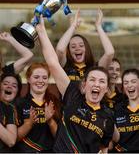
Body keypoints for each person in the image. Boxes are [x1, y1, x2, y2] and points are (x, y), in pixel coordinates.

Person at [36, 15, 115, 153]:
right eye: (92, 79)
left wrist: (98, 27)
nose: (96, 84)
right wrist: (42, 31)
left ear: (107, 89)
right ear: (84, 85)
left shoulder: (107, 117)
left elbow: (103, 150)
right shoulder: (73, 94)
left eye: (102, 81)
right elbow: (53, 62)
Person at [14, 62, 62, 153]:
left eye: (44, 78)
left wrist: (50, 121)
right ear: (28, 79)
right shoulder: (19, 103)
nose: (40, 81)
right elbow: (12, 140)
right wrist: (29, 124)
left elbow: (62, 139)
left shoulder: (55, 103)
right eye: (36, 77)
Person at [56, 9, 114, 81]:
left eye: (81, 45)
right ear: (69, 51)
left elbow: (110, 53)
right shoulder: (64, 66)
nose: (77, 48)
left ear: (87, 49)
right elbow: (60, 50)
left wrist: (98, 27)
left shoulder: (95, 68)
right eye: (73, 47)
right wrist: (73, 26)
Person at [113, 68, 139, 152]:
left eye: (133, 81)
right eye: (126, 82)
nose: (129, 85)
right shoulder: (117, 109)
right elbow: (113, 141)